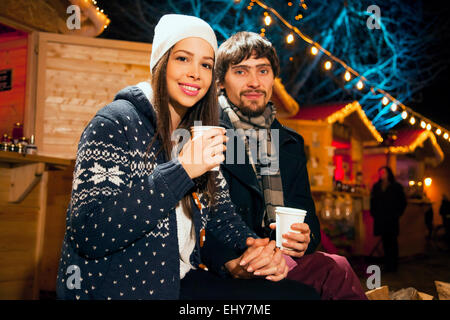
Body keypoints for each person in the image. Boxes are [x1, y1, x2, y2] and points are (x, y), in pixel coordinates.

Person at [56, 14, 319, 300]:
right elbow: (90, 232)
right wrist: (181, 171)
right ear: (160, 62)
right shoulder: (115, 123)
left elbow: (221, 217)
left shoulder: (194, 133)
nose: (196, 73)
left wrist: (255, 250)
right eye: (183, 59)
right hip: (119, 290)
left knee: (299, 295)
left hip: (179, 280)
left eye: (206, 64)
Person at [201, 31, 368, 300]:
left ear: (273, 78)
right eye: (241, 72)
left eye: (263, 71)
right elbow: (195, 218)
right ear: (220, 82)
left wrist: (306, 238)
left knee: (338, 267)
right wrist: (229, 261)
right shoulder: (206, 133)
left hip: (283, 260)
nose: (254, 82)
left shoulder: (290, 143)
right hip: (232, 263)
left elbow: (307, 216)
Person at [370, 166, 407, 272]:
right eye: (380, 172)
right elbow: (373, 201)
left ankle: (393, 265)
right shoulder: (377, 186)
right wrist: (374, 213)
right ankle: (387, 265)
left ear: (389, 173)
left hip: (392, 218)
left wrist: (397, 214)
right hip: (381, 218)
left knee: (393, 242)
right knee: (385, 242)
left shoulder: (396, 186)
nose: (382, 174)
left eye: (384, 172)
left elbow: (402, 202)